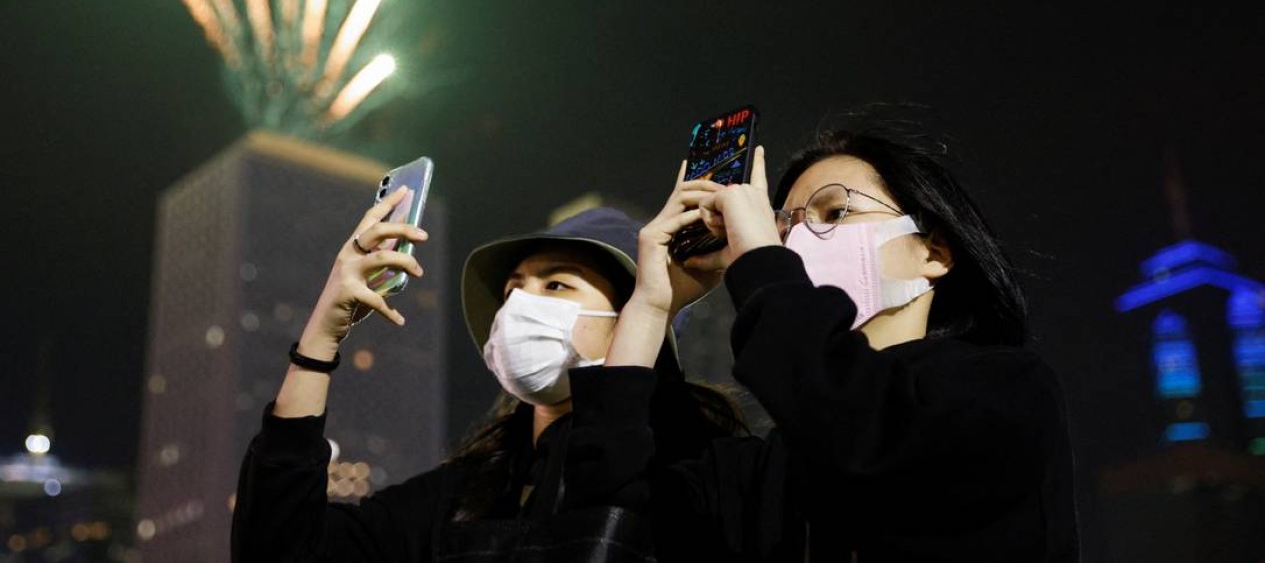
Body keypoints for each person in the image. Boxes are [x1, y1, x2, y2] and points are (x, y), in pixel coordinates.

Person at [565, 127, 1080, 561]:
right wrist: (651, 307)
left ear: (936, 252)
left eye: (833, 214)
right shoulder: (773, 464)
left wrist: (763, 264)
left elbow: (858, 429)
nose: (800, 243)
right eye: (784, 229)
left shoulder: (1005, 389)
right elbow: (614, 518)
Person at [231, 191, 744, 562]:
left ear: (632, 318)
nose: (521, 303)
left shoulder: (696, 473)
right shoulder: (461, 495)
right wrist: (319, 342)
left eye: (557, 285)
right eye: (512, 289)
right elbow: (278, 546)